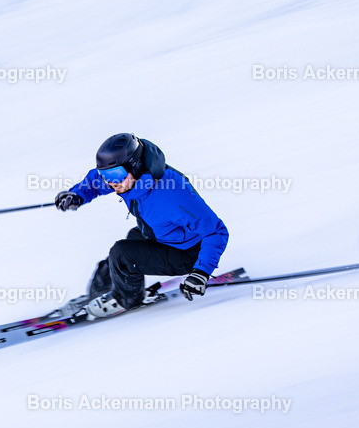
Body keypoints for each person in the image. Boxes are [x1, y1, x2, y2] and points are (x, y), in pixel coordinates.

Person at [54, 133, 229, 318]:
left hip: (189, 252)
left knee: (122, 254)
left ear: (135, 166)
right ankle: (97, 295)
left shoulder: (173, 193)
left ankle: (125, 299)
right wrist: (76, 195)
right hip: (160, 235)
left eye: (115, 174)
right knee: (122, 251)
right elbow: (95, 181)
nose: (111, 182)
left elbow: (216, 231)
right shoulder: (129, 181)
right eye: (106, 174)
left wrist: (201, 272)